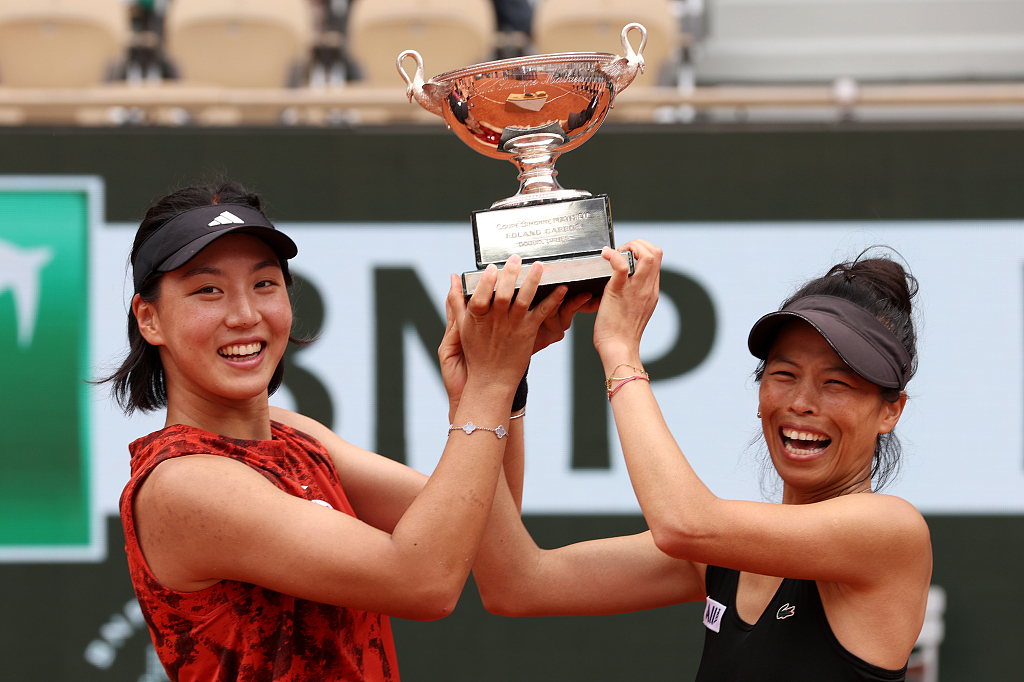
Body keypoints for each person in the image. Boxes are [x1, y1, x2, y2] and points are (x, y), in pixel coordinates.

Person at [104, 181, 590, 681]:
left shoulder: (292, 433)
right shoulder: (183, 483)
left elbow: (485, 533)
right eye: (209, 290)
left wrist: (503, 384)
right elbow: (426, 582)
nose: (245, 315)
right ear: (149, 318)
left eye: (264, 284)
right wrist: (488, 384)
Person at [468, 241, 933, 681]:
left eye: (837, 384)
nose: (801, 402)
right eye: (784, 374)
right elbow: (515, 583)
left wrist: (620, 348)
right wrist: (499, 383)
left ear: (890, 411)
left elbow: (683, 524)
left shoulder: (892, 532)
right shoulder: (722, 553)